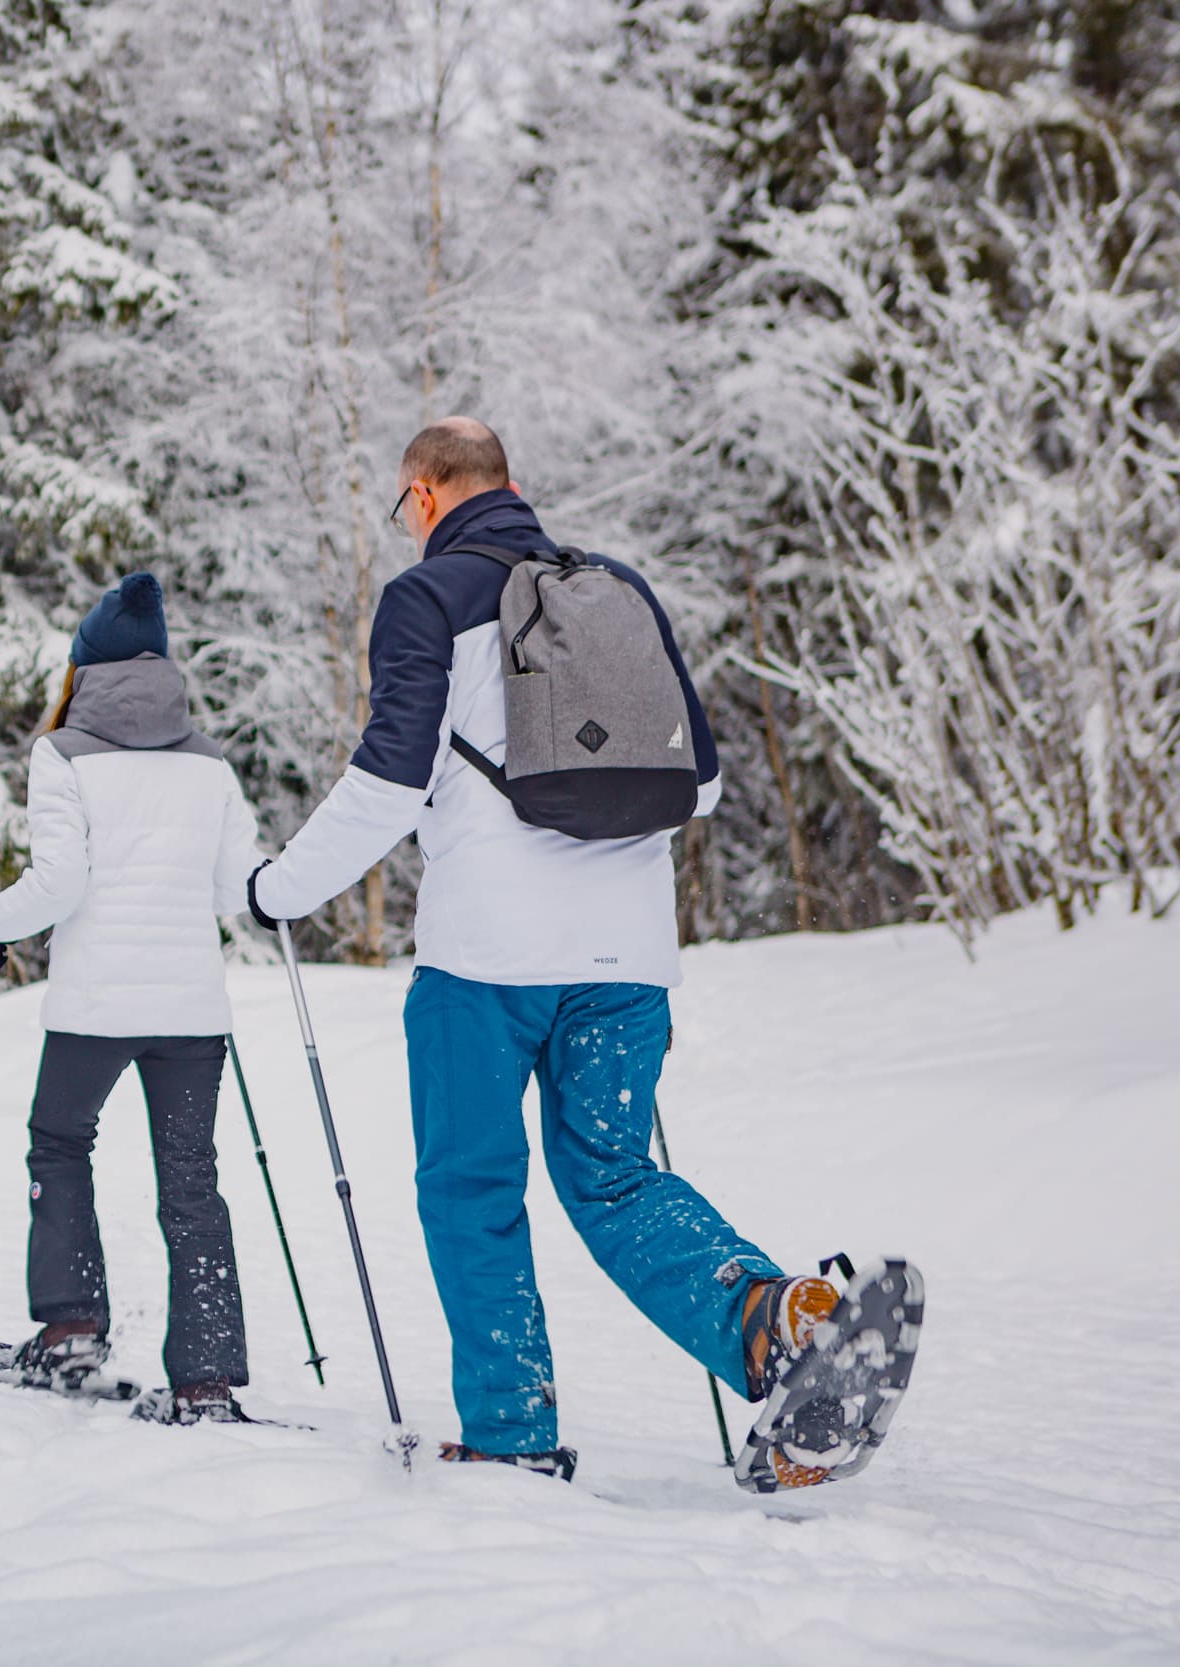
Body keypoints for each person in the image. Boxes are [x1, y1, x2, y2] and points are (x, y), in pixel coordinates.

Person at [246, 419, 866, 1483]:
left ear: (427, 495)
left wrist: (277, 890)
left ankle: (511, 1428)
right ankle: (770, 1317)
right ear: (512, 486)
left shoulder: (424, 600)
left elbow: (391, 782)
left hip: (486, 960)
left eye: (406, 507)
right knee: (617, 1176)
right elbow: (701, 782)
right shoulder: (615, 589)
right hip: (626, 960)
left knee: (472, 1186)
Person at [0, 573, 267, 1425]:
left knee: (60, 1143)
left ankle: (69, 1328)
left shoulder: (61, 751)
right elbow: (233, 889)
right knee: (192, 1183)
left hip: (96, 1006)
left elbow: (59, 881)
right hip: (190, 1011)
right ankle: (206, 1380)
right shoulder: (209, 759)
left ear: (85, 667)